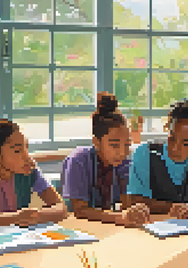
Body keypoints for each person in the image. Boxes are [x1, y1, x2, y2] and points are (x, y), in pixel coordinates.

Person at [62, 91, 150, 227]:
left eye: (127, 145)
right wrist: (119, 217)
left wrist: (135, 209)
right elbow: (80, 211)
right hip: (78, 228)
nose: (122, 152)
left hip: (107, 228)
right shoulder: (78, 160)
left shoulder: (124, 163)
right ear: (96, 142)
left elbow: (126, 201)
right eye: (114, 145)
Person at [0, 120, 68, 229]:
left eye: (26, 148)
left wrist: (37, 216)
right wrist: (15, 218)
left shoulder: (28, 171)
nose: (27, 157)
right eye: (17, 150)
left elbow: (61, 208)